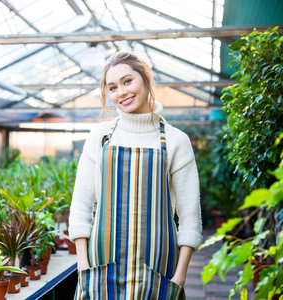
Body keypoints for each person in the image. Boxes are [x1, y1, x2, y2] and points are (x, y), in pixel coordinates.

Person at [68, 51, 202, 299]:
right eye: (113, 87)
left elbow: (190, 216)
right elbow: (81, 204)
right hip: (100, 266)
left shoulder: (176, 141)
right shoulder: (100, 136)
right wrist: (83, 265)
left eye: (128, 81)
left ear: (146, 78)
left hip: (160, 267)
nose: (122, 92)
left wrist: (180, 276)